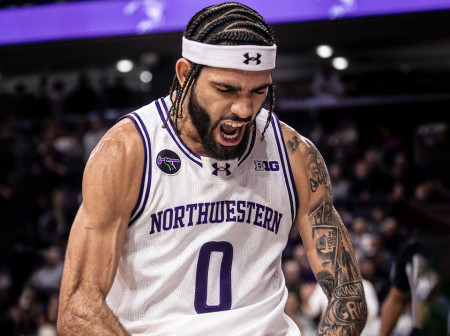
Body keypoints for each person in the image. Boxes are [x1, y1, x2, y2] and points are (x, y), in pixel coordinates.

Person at [57, 3, 367, 335]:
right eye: (226, 89)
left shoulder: (296, 156)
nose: (244, 108)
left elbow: (347, 292)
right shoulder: (128, 151)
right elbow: (78, 309)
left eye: (259, 91)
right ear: (183, 74)